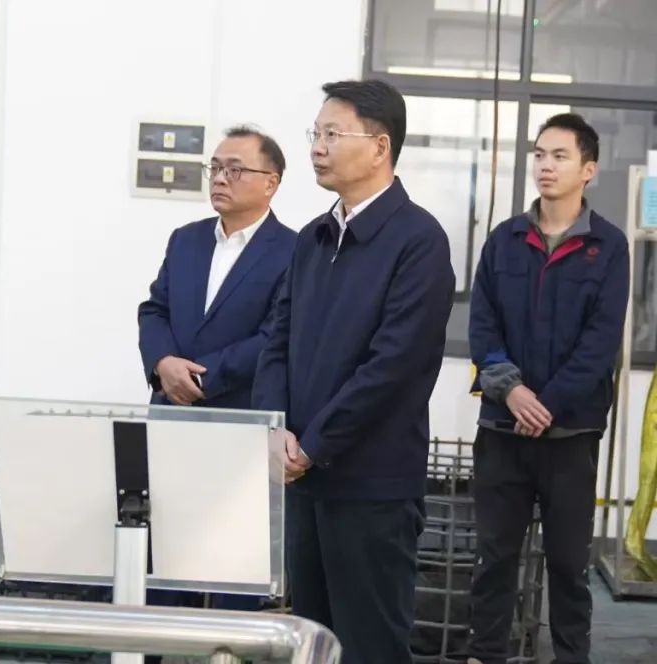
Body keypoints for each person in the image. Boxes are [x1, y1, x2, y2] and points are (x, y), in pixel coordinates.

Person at [252, 79, 455, 664]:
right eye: (315, 133)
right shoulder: (313, 239)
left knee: (369, 646)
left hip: (372, 487)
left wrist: (313, 445)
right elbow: (277, 340)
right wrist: (274, 429)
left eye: (332, 134)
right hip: (305, 482)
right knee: (312, 641)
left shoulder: (419, 241)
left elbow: (393, 367)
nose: (317, 147)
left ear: (380, 146)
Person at [466, 113, 628, 664]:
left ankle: (570, 656)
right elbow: (482, 327)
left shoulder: (608, 247)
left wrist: (547, 405)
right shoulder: (504, 240)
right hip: (502, 430)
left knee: (567, 565)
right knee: (493, 559)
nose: (545, 165)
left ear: (588, 169)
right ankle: (485, 654)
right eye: (539, 154)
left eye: (559, 156)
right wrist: (512, 392)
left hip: (570, 436)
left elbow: (599, 343)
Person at [137, 124, 297, 611]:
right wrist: (163, 363)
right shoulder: (186, 240)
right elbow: (154, 310)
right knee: (166, 556)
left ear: (270, 182)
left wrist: (197, 378)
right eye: (216, 167)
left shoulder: (294, 251)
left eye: (235, 169)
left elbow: (276, 335)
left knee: (235, 564)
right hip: (173, 419)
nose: (221, 178)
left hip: (241, 422)